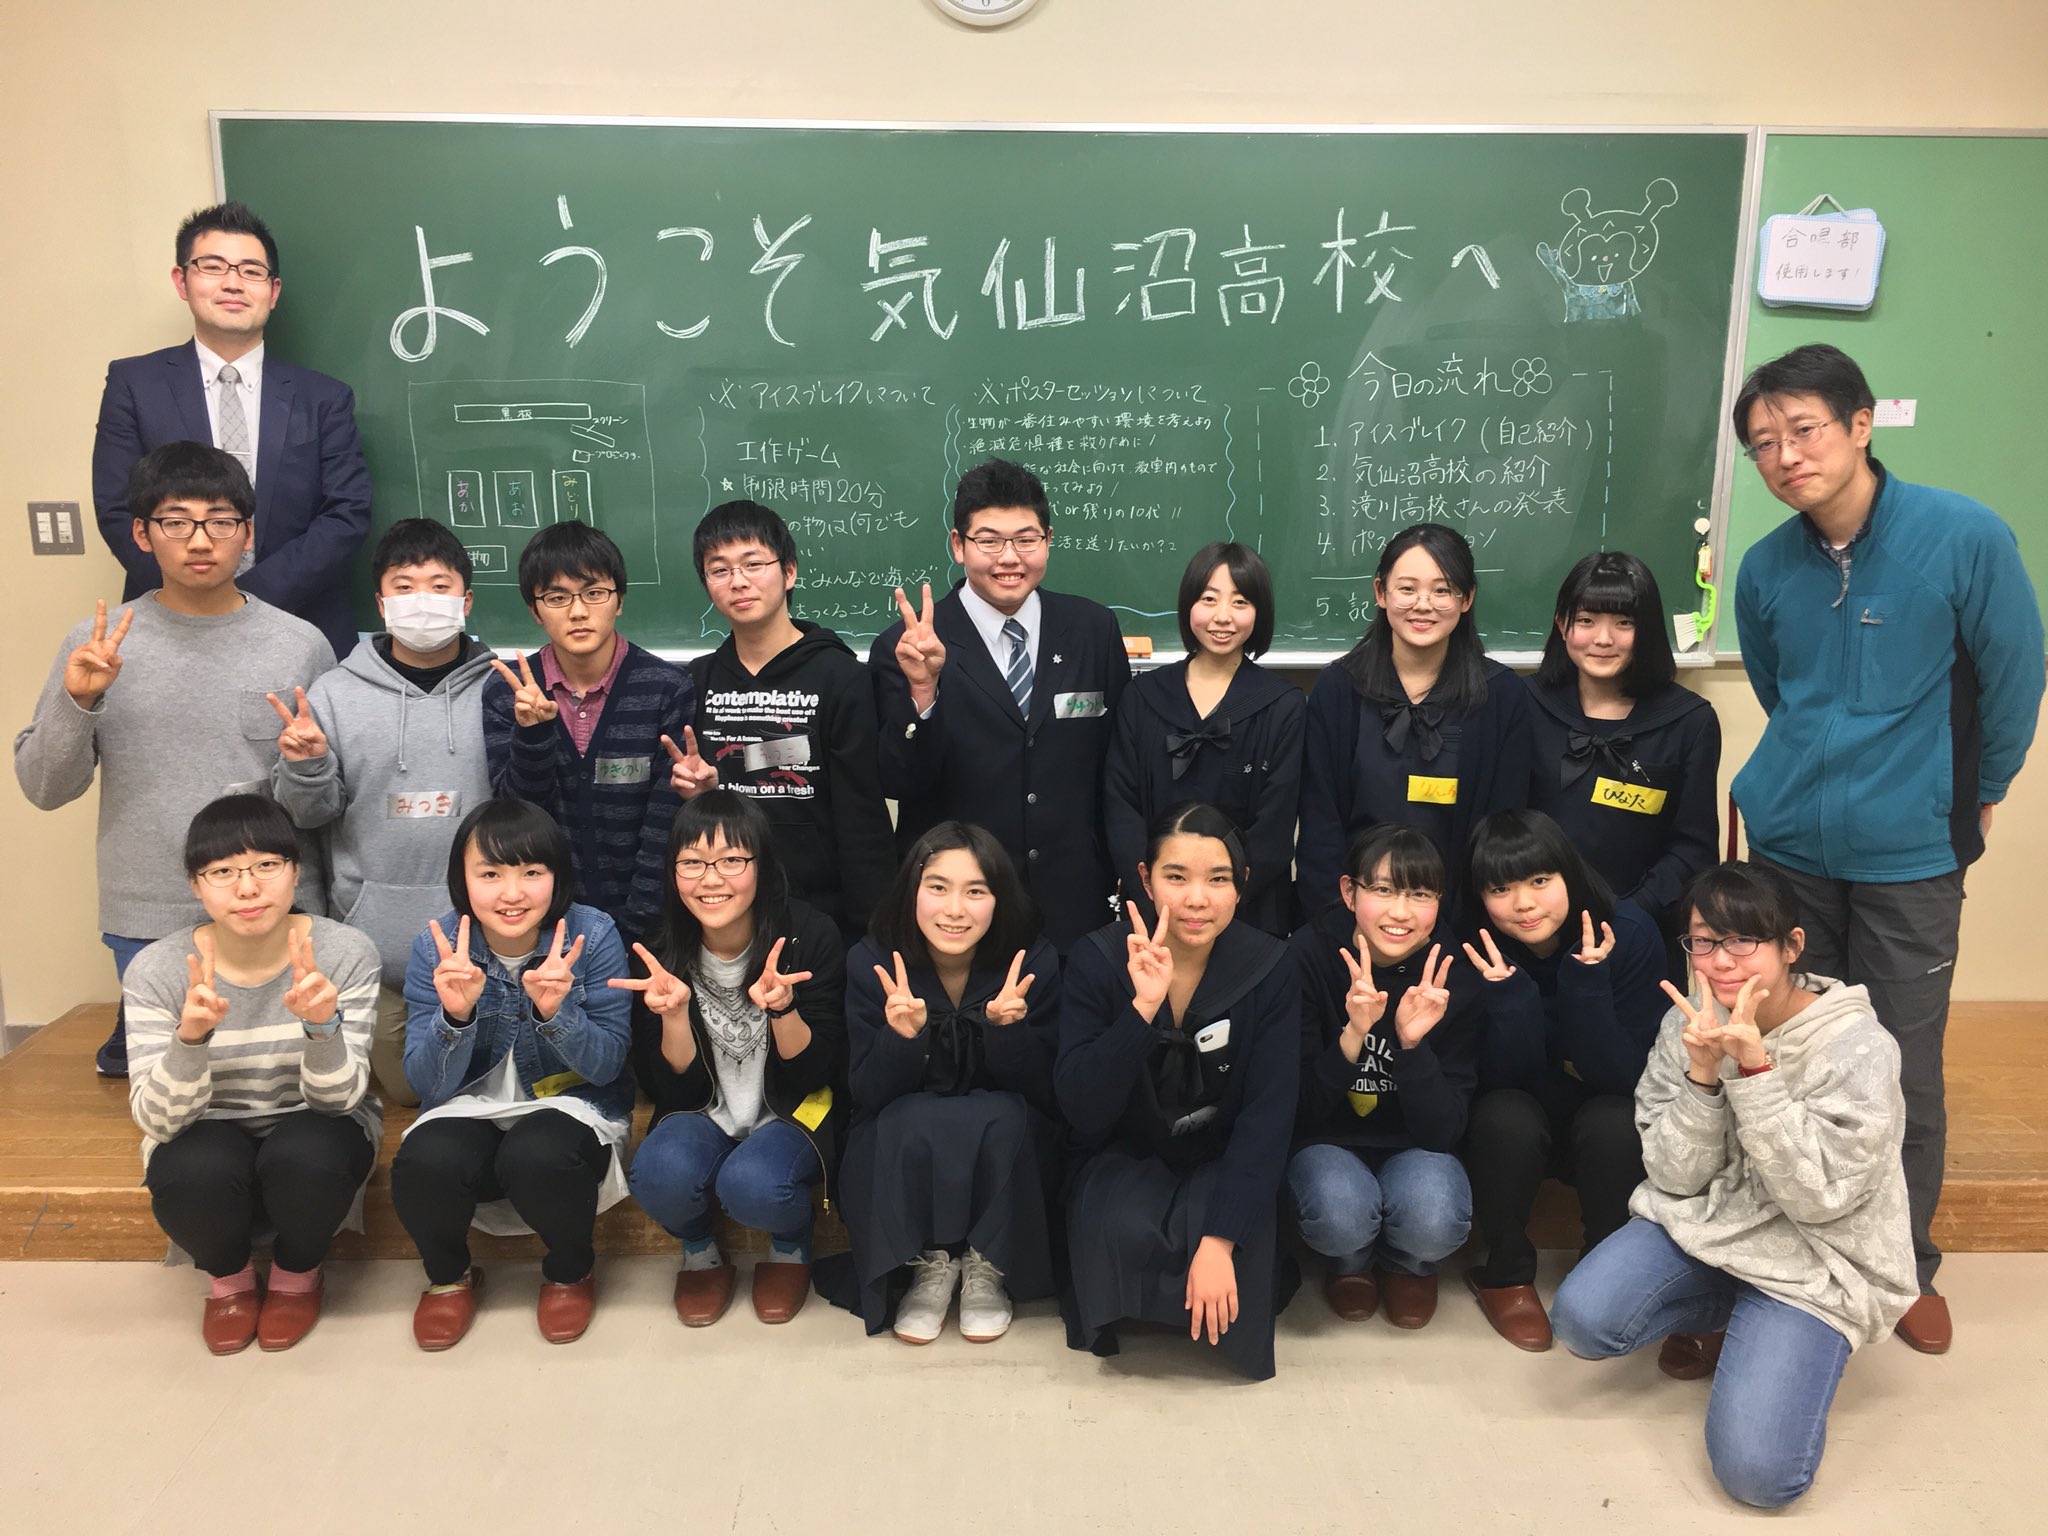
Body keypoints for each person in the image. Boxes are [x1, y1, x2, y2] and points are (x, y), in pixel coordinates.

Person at [1731, 342, 2043, 1354]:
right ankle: (1798, 1242)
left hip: (1910, 853)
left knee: (1899, 1061)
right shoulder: (1764, 567)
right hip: (1789, 848)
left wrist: (1980, 792)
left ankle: (1901, 1262)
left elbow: (2013, 677)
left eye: (1802, 429)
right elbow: (1779, 691)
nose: (1784, 456)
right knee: (1791, 1054)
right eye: (1761, 443)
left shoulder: (1962, 536)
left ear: (1860, 424)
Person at [1551, 862, 1915, 1509]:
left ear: (1792, 946)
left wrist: (1755, 1072)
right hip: (1712, 1227)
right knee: (1583, 1319)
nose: (1721, 960)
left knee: (1759, 1478)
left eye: (1743, 939)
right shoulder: (1688, 1022)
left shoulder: (1859, 1046)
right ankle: (1737, 1319)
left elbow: (1819, 1201)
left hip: (1816, 1260)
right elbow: (1673, 1177)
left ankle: (1778, 1332)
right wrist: (1701, 1075)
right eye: (1704, 940)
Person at [15, 441, 334, 1078]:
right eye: (176, 522)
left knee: (278, 1086)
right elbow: (45, 788)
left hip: (275, 909)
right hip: (150, 912)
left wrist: (306, 769)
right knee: (174, 1093)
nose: (200, 540)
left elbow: (319, 805)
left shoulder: (300, 645)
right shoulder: (97, 644)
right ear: (142, 533)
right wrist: (79, 701)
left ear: (248, 534)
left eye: (220, 521)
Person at [123, 795, 381, 1354]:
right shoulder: (158, 970)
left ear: (296, 871)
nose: (247, 888)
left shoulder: (344, 953)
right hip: (206, 1126)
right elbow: (158, 1121)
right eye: (222, 872)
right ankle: (230, 1281)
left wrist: (322, 1028)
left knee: (312, 1154)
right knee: (191, 1167)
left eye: (266, 865)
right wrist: (190, 1040)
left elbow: (340, 1101)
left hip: (316, 1119)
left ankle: (297, 1275)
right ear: (195, 886)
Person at [1056, 804, 1300, 1381]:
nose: (1196, 899)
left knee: (1234, 1239)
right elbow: (1082, 1109)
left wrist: (1219, 1241)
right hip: (1124, 1153)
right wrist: (1141, 1010)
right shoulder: (1098, 959)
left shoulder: (1271, 966)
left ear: (1242, 884)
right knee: (1119, 1224)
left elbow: (1269, 1116)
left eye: (1217, 879)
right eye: (1176, 876)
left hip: (1225, 1157)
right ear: (1145, 879)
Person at [271, 518, 496, 1106]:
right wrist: (306, 766)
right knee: (410, 1091)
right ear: (380, 602)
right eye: (404, 586)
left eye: (439, 586)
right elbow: (307, 817)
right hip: (372, 946)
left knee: (486, 1082)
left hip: (487, 946)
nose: (422, 601)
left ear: (466, 600)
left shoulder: (502, 689)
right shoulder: (332, 694)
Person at [392, 798, 633, 1350]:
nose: (512, 893)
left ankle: (570, 1270)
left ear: (557, 876)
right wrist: (455, 1017)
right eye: (490, 874)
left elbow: (606, 1066)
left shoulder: (591, 935)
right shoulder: (436, 945)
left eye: (531, 872)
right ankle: (448, 1277)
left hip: (571, 1106)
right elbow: (425, 1084)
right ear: (462, 879)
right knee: (425, 1158)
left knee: (538, 1152)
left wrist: (557, 1015)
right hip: (468, 1106)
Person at [869, 458, 1133, 950]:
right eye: (989, 541)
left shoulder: (1093, 629)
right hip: (960, 909)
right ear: (958, 545)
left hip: (1076, 902)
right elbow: (898, 782)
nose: (1009, 558)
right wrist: (923, 691)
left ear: (1048, 539)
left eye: (1026, 539)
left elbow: (1118, 765)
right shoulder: (907, 645)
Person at [91, 200, 371, 659]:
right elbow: (118, 508)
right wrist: (195, 600)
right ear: (182, 280)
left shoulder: (325, 397)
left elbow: (346, 512)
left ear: (273, 291)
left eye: (251, 271)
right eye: (213, 266)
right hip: (170, 627)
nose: (233, 283)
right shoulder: (134, 384)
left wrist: (246, 602)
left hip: (301, 620)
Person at [623, 791, 846, 1327]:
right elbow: (670, 1092)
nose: (710, 880)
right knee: (656, 1172)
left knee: (753, 1183)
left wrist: (784, 1009)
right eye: (692, 863)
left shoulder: (809, 936)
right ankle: (699, 1247)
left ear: (761, 867)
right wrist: (674, 1017)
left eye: (731, 861)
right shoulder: (660, 948)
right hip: (703, 1111)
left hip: (792, 1110)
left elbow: (817, 1075)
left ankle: (791, 1241)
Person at [838, 822, 1064, 1343]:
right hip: (903, 1135)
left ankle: (989, 1261)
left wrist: (1008, 1034)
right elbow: (867, 1095)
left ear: (999, 898)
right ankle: (928, 1261)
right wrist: (901, 1038)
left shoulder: (1032, 961)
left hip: (1006, 1135)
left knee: (1007, 1118)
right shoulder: (872, 960)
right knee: (906, 1120)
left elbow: (1049, 1094)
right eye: (937, 887)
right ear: (911, 890)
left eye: (976, 891)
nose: (955, 910)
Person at [1458, 808, 1666, 1351]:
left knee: (1617, 1121)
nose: (1523, 903)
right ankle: (1505, 1273)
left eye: (1540, 881)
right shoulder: (1476, 945)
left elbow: (1625, 1076)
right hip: (1521, 1109)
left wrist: (1586, 983)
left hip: (1601, 1102)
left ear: (1569, 874)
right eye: (1500, 888)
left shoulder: (1628, 933)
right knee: (1503, 1116)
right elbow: (1499, 1078)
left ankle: (1602, 1266)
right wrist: (1510, 997)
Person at [666, 499, 894, 945]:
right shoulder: (696, 681)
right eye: (719, 570)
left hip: (821, 916)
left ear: (789, 572)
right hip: (721, 912)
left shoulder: (840, 677)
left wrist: (871, 932)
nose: (738, 581)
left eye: (753, 564)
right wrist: (700, 795)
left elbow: (862, 818)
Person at [1288, 824, 1481, 1328]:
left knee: (1435, 1219)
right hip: (1327, 1140)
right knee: (1339, 1212)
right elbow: (1299, 1111)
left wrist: (1411, 1045)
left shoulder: (1451, 971)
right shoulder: (1308, 955)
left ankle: (1406, 1265)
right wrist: (1353, 1035)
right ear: (1349, 892)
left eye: (1420, 894)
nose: (1401, 912)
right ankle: (1350, 1263)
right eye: (1383, 890)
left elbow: (1444, 1131)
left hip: (1415, 1145)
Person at [1296, 523, 1530, 917]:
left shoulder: (1501, 695)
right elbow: (1320, 824)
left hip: (1461, 921)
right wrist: (1340, 919)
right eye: (1407, 589)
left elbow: (1502, 833)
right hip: (1354, 917)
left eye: (1442, 590)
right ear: (1380, 592)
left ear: (1467, 598)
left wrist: (1462, 930)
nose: (1423, 604)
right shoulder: (1338, 689)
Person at [483, 519, 695, 946]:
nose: (578, 612)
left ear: (619, 600)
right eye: (557, 598)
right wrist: (533, 735)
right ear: (535, 610)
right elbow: (516, 820)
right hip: (541, 930)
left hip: (648, 931)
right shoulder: (509, 692)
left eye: (594, 593)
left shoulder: (666, 688)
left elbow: (665, 825)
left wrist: (636, 931)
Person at [1525, 551, 1720, 970]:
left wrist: (1625, 917)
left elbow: (1693, 849)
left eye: (1624, 623)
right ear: (1561, 624)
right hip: (1532, 931)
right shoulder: (1523, 705)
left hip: (1640, 931)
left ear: (1646, 630)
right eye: (1586, 620)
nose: (1603, 638)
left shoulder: (1690, 721)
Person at [1106, 542, 1304, 936]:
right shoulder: (1143, 696)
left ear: (1260, 612)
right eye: (1209, 599)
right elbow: (1120, 807)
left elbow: (1276, 825)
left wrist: (1220, 898)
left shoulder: (1283, 705)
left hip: (1247, 911)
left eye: (1241, 602)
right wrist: (1157, 894)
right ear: (1188, 605)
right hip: (1154, 910)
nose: (1223, 616)